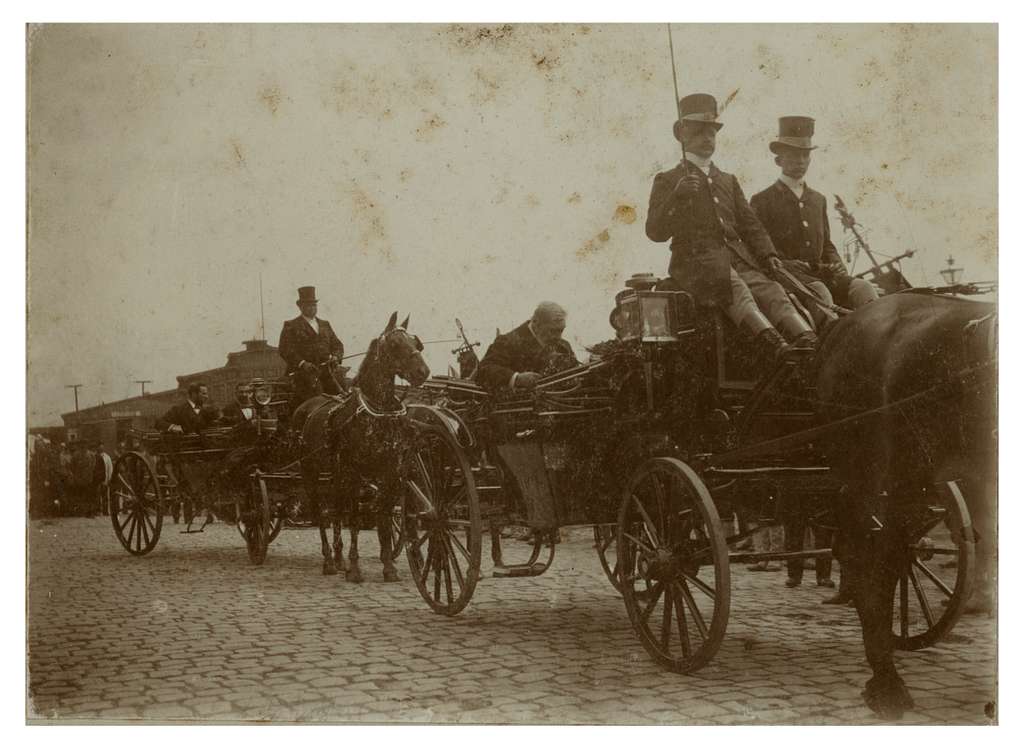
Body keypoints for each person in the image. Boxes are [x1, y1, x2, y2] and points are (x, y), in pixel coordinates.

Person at [645, 93, 818, 362]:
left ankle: (807, 343)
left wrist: (769, 256)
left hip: (738, 260)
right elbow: (655, 232)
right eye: (700, 131)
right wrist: (675, 197)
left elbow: (752, 225)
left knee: (771, 289)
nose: (707, 138)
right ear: (682, 135)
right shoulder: (668, 180)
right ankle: (773, 347)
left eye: (712, 132)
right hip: (694, 264)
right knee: (735, 288)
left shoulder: (727, 180)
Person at [750, 116, 878, 323]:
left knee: (865, 288)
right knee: (821, 295)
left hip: (825, 274)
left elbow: (826, 244)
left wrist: (836, 264)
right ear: (779, 160)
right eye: (792, 155)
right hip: (790, 278)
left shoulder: (818, 200)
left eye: (804, 155)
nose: (800, 161)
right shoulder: (762, 200)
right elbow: (759, 247)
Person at [476, 301, 580, 392]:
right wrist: (516, 378)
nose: (558, 337)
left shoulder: (564, 346)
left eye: (561, 330)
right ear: (536, 323)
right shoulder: (508, 342)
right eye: (552, 331)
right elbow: (484, 370)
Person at [278, 286, 345, 404]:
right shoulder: (291, 326)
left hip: (328, 373)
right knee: (316, 402)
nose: (312, 308)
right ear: (301, 307)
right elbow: (285, 349)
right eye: (309, 305)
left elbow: (337, 345)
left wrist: (336, 357)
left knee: (345, 397)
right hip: (304, 376)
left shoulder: (325, 324)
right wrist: (302, 363)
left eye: (314, 305)